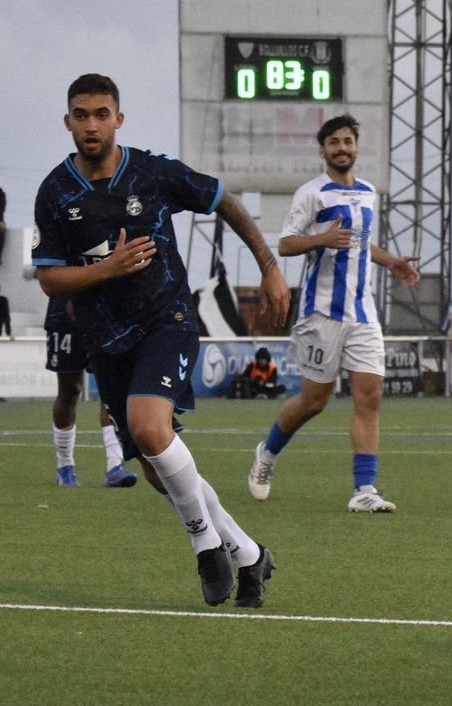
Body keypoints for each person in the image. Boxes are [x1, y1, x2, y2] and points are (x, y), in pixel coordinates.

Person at [33, 73, 288, 607]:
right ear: (68, 122)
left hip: (166, 321)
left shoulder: (152, 173)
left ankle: (204, 547)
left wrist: (269, 266)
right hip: (107, 342)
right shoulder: (55, 194)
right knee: (157, 467)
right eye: (81, 115)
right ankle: (247, 554)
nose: (91, 124)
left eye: (102, 114)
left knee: (150, 428)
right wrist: (109, 269)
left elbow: (224, 200)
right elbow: (51, 278)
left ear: (118, 119)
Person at [246, 114, 420, 513]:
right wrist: (322, 238)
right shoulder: (313, 193)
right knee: (314, 401)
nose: (343, 148)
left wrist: (391, 261)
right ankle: (267, 454)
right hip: (320, 313)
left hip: (363, 314)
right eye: (335, 142)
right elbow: (286, 245)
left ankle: (365, 489)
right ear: (323, 149)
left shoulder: (368, 192)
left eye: (348, 141)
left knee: (370, 396)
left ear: (356, 147)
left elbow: (361, 244)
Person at [43, 293, 138, 488]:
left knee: (111, 388)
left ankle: (115, 466)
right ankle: (65, 465)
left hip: (106, 311)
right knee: (70, 390)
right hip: (64, 312)